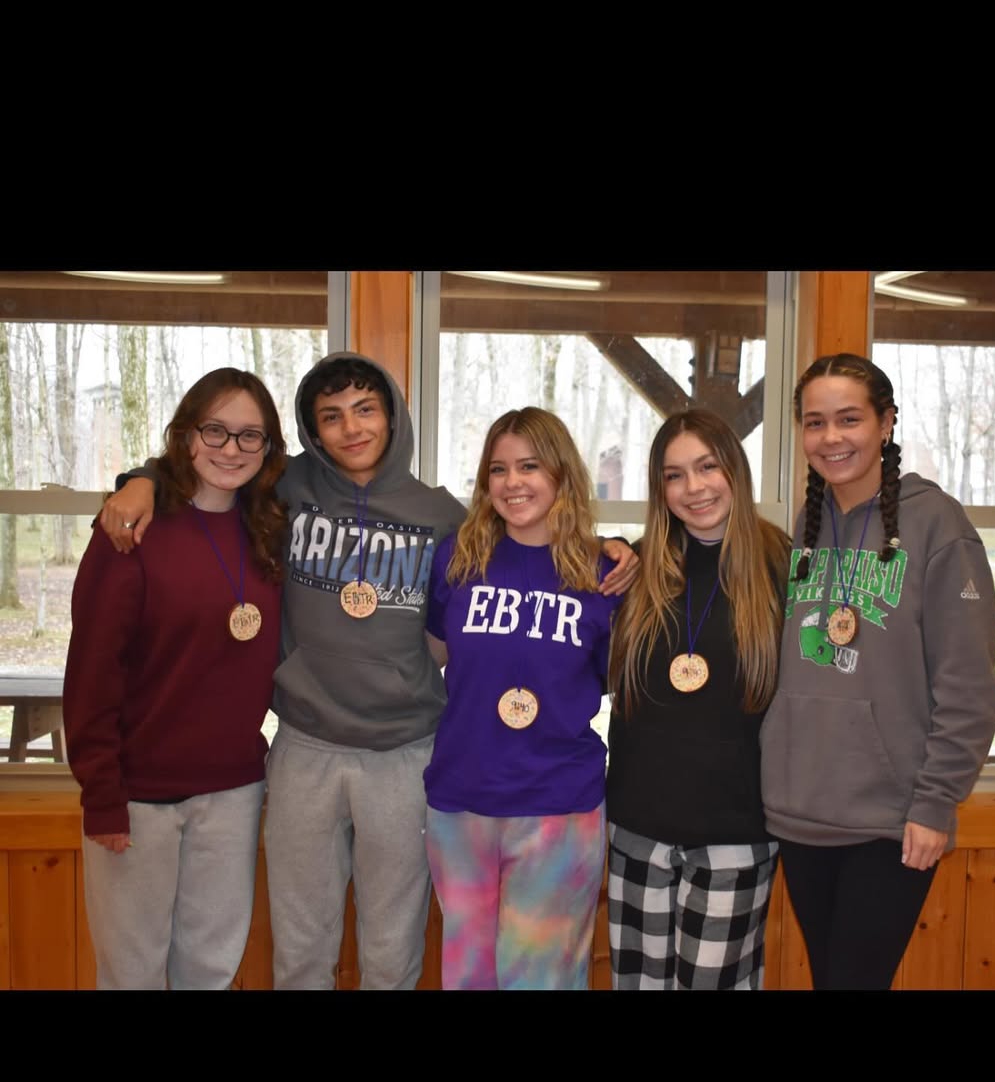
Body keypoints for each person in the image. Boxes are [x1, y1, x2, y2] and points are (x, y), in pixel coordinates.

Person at [100, 353, 637, 990]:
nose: (351, 428)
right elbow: (214, 466)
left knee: (392, 950)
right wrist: (140, 479)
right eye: (331, 416)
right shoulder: (286, 487)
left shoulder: (443, 519)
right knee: (302, 948)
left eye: (365, 410)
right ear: (312, 430)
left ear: (393, 417)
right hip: (305, 746)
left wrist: (614, 547)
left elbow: (529, 547)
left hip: (406, 754)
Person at [758, 352, 995, 990]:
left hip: (891, 821)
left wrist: (935, 802)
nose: (830, 437)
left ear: (886, 422)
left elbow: (969, 685)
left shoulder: (937, 524)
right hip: (801, 811)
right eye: (815, 423)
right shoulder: (806, 527)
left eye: (849, 419)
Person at [63, 367, 288, 989]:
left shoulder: (272, 529)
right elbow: (91, 672)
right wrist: (101, 792)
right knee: (131, 972)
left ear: (268, 448)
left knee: (211, 968)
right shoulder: (130, 530)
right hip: (138, 797)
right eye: (215, 430)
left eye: (250, 435)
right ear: (185, 434)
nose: (231, 449)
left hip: (234, 791)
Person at [423, 408, 622, 989]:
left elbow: (612, 679)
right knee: (468, 974)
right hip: (460, 802)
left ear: (561, 473)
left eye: (530, 466)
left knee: (539, 977)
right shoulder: (456, 559)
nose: (513, 482)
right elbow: (436, 657)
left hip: (558, 805)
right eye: (499, 469)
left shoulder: (604, 572)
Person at [605, 409, 790, 989]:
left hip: (737, 831)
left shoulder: (783, 566)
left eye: (708, 467)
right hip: (638, 826)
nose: (694, 487)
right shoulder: (635, 566)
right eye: (674, 475)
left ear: (735, 469)